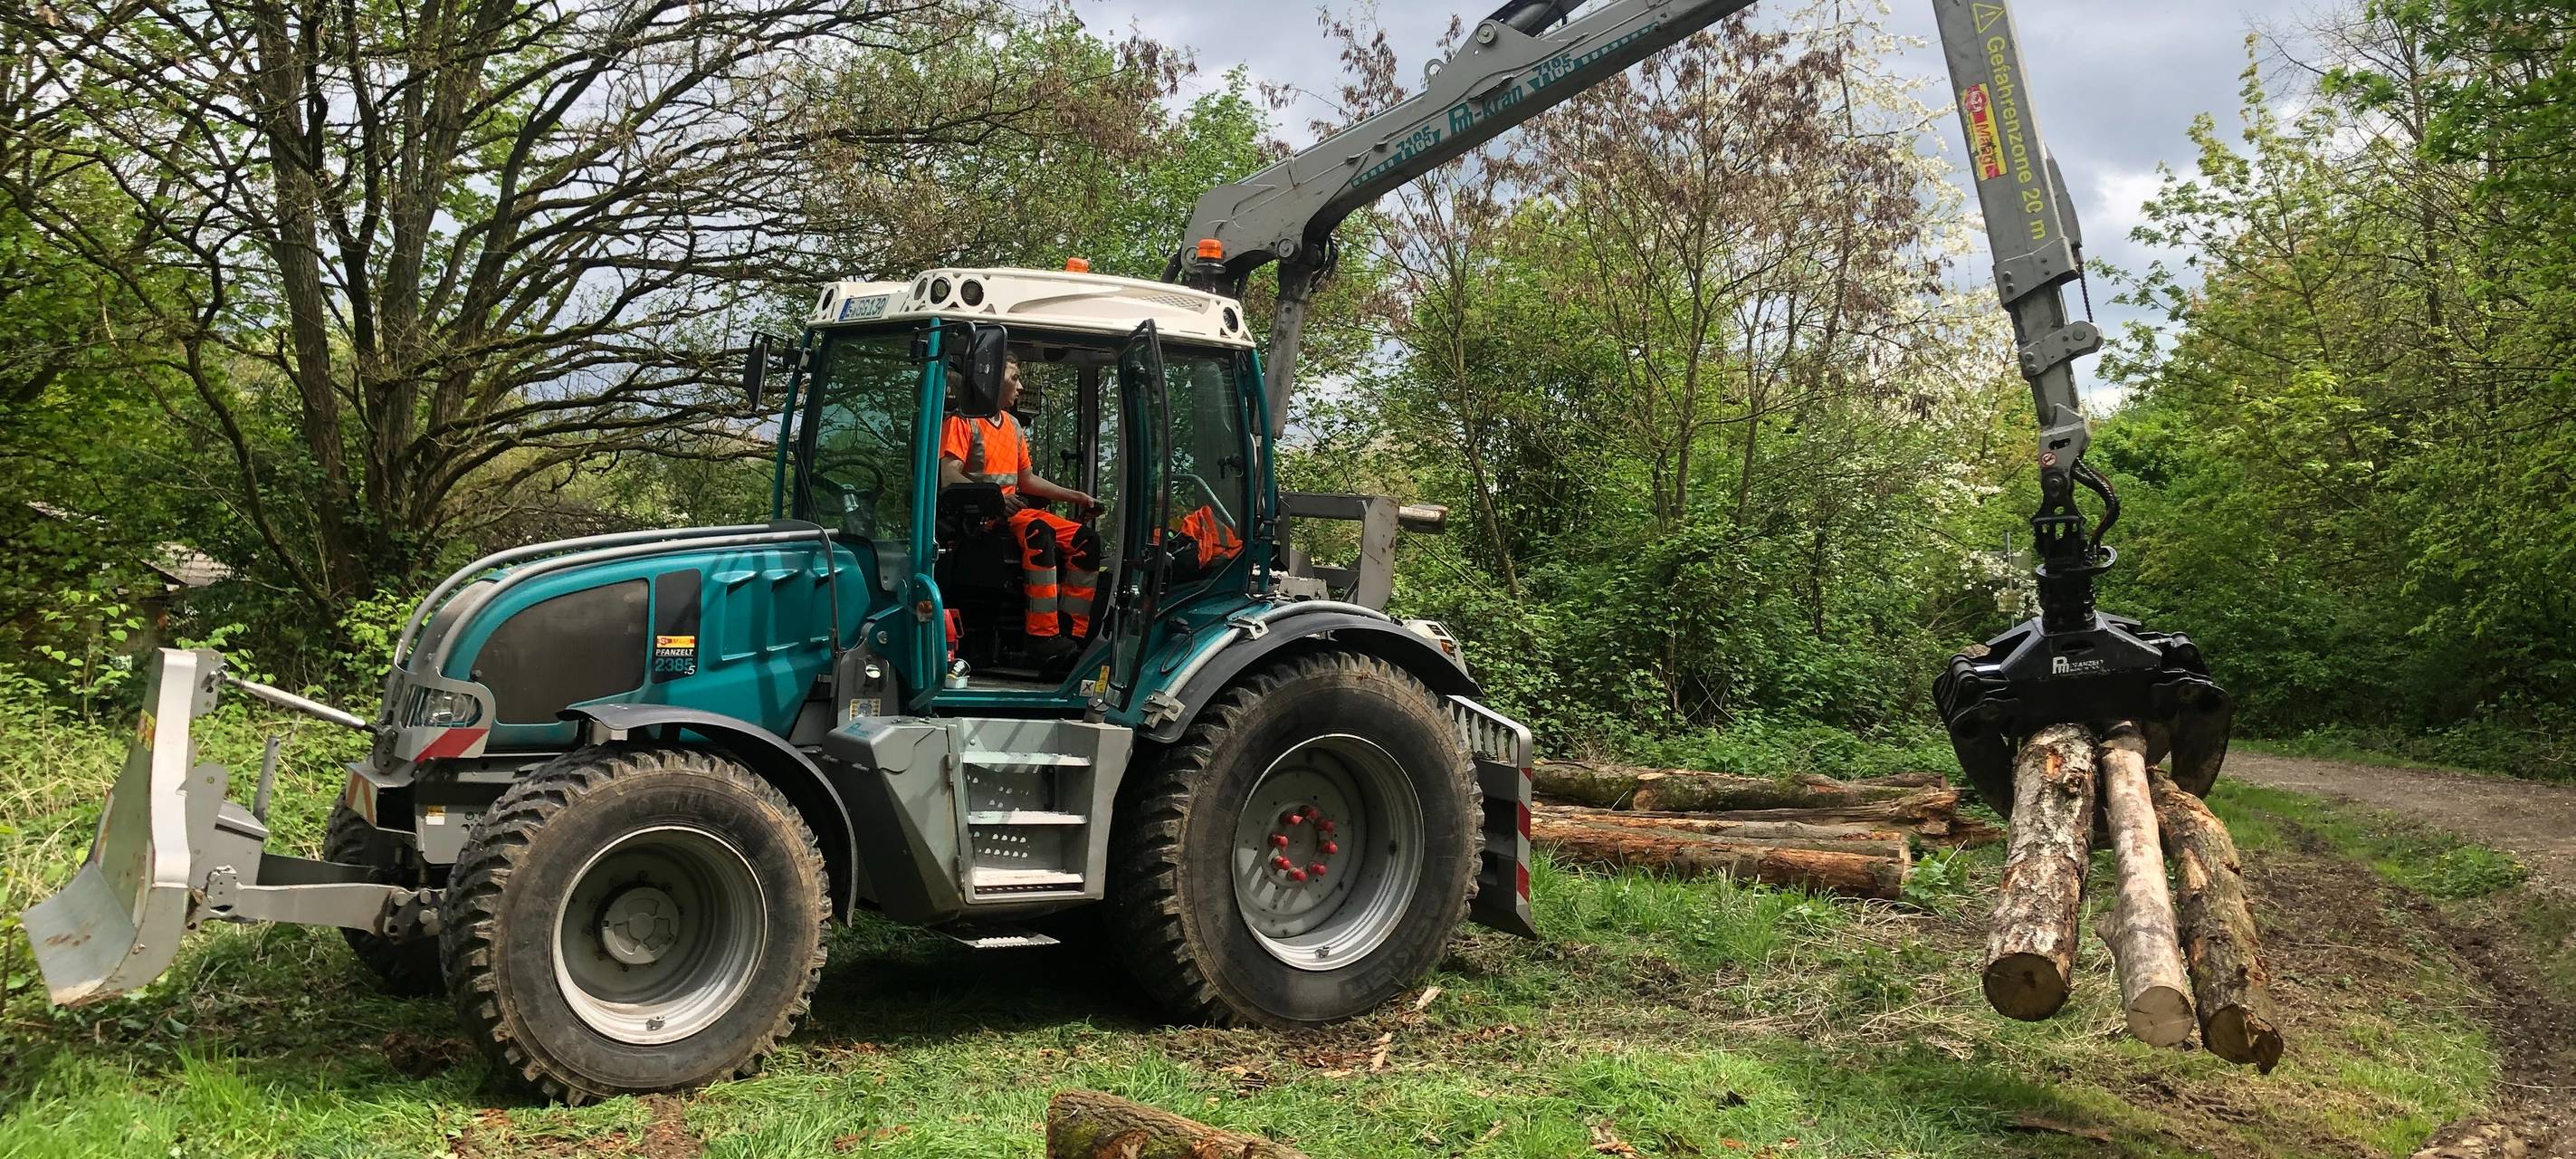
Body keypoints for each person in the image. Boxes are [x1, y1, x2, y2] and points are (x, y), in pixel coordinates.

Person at [939, 353, 1102, 659]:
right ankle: (1042, 638)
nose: (1020, 386)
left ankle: (1070, 632)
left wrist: (1076, 496)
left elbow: (1026, 480)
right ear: (989, 380)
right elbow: (948, 474)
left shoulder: (1013, 426)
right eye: (1014, 378)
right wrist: (993, 499)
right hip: (982, 520)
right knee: (1039, 534)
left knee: (1086, 541)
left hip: (1015, 514)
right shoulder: (961, 422)